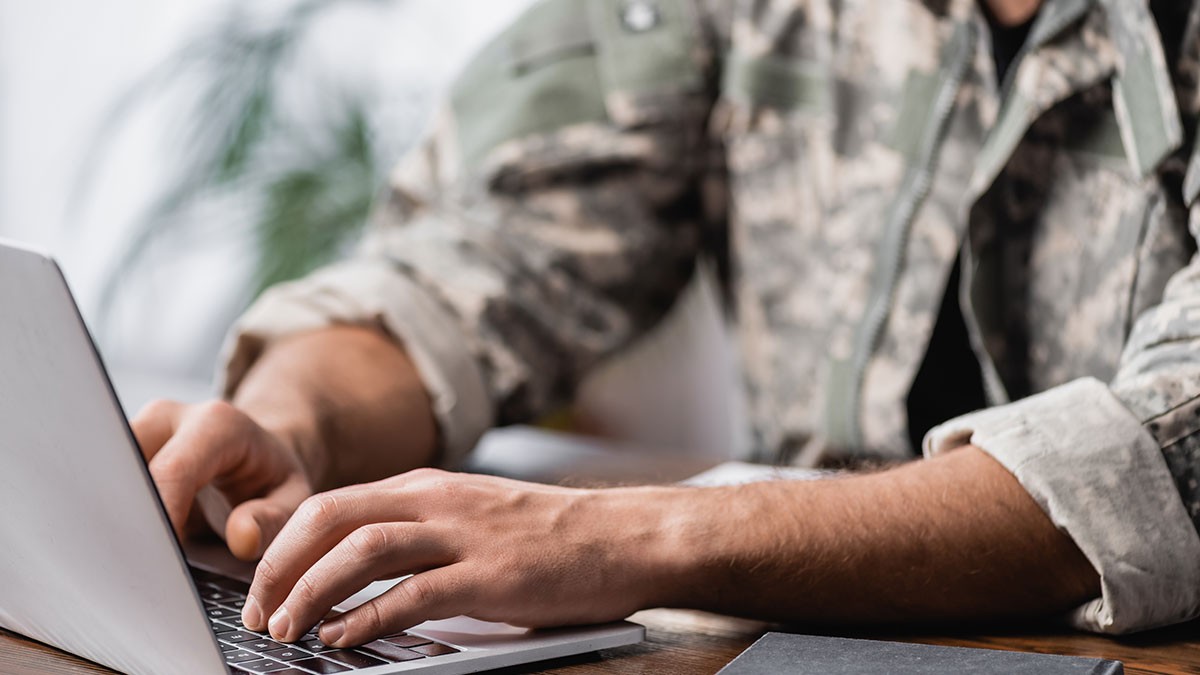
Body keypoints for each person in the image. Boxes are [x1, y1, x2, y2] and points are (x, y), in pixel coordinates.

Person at [133, 0, 1200, 650]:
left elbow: (1174, 444)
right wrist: (292, 423)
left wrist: (620, 540)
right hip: (775, 644)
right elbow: (487, 252)